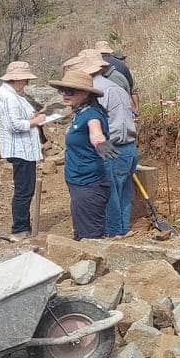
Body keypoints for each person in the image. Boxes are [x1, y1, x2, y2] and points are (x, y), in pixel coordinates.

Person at [70, 49, 137, 238]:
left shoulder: (96, 93)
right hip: (129, 146)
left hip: (111, 148)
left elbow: (97, 129)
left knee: (110, 195)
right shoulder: (116, 86)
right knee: (124, 192)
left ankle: (114, 233)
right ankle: (123, 229)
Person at [49, 67, 115, 239]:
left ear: (85, 94)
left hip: (88, 185)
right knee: (82, 233)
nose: (65, 94)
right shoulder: (79, 112)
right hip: (79, 183)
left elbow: (96, 135)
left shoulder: (92, 115)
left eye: (70, 91)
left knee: (89, 238)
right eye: (62, 90)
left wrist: (102, 145)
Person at [0, 60, 47, 239]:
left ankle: (22, 225)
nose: (26, 83)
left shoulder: (11, 94)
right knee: (24, 189)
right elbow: (15, 125)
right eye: (25, 80)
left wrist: (33, 117)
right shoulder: (8, 97)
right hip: (20, 148)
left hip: (22, 147)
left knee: (24, 188)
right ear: (17, 79)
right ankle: (20, 227)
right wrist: (35, 122)